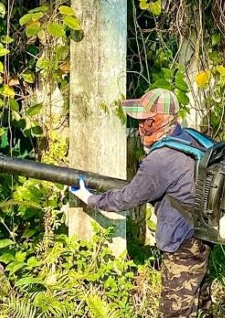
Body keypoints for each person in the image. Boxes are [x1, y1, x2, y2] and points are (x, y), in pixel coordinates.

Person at [69, 88, 211, 318]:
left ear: (162, 121)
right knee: (200, 306)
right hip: (203, 234)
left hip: (182, 244)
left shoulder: (160, 159)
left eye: (147, 121)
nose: (141, 127)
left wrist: (90, 198)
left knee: (174, 313)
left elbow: (128, 198)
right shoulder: (190, 138)